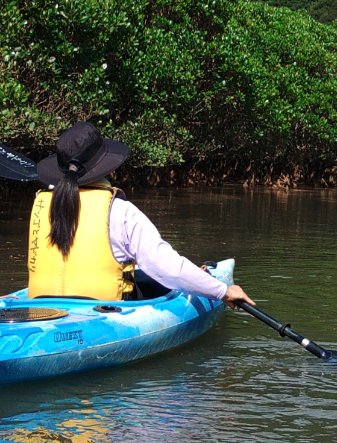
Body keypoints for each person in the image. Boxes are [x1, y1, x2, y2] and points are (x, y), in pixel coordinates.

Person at [27, 121, 253, 308]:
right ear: (106, 166)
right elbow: (168, 269)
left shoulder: (41, 206)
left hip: (41, 309)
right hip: (104, 315)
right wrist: (223, 291)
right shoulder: (121, 212)